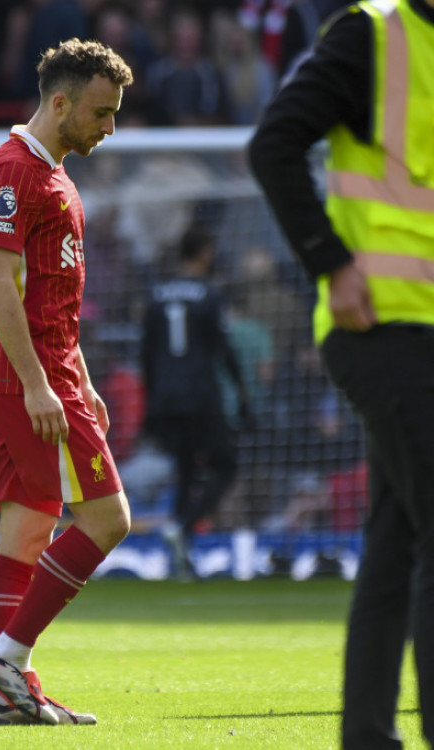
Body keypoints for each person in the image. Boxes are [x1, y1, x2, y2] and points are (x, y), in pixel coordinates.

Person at [248, 1, 434, 745]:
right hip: (379, 324)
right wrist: (330, 261)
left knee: (396, 545)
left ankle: (366, 736)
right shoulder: (374, 30)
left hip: (417, 328)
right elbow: (274, 144)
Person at [0, 38, 133, 726]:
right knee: (108, 519)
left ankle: (15, 698)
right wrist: (41, 385)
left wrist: (83, 376)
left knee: (28, 532)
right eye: (101, 112)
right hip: (29, 374)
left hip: (50, 368)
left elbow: (51, 296)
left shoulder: (56, 173)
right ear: (60, 102)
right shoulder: (14, 172)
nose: (109, 127)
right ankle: (8, 656)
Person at [140, 223, 250, 580]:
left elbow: (146, 354)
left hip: (166, 399)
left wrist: (150, 402)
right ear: (204, 253)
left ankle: (179, 561)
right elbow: (223, 348)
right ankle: (184, 527)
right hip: (201, 395)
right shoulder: (210, 294)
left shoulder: (156, 295)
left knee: (186, 472)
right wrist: (243, 391)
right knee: (227, 465)